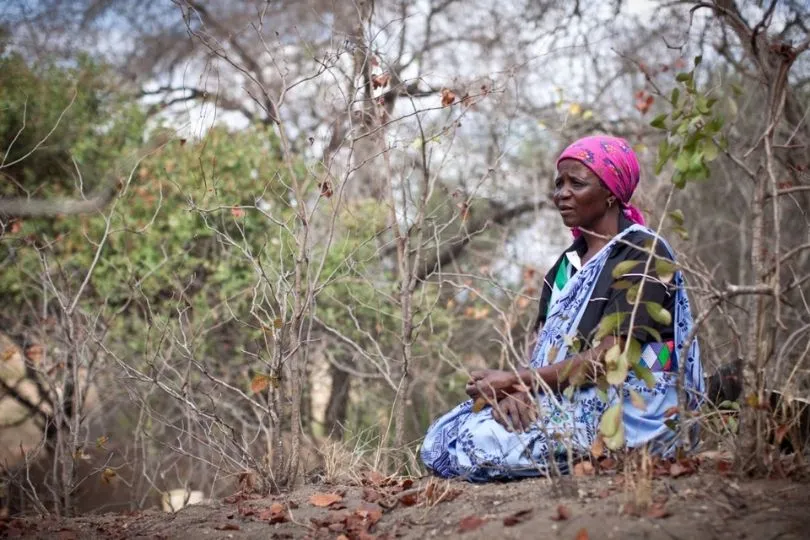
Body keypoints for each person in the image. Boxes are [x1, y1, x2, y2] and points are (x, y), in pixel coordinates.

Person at [420, 135, 704, 481]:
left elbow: (612, 360)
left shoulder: (642, 252)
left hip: (632, 405)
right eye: (559, 184)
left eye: (576, 183)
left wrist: (517, 380)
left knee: (475, 440)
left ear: (612, 192)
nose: (562, 194)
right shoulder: (565, 266)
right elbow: (542, 349)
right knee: (446, 434)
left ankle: (608, 453)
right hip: (565, 396)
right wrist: (517, 392)